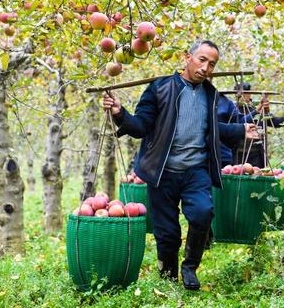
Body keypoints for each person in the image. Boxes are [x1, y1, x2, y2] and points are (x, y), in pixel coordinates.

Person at [102, 40, 259, 290]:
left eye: (212, 64)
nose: (206, 68)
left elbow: (212, 129)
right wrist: (121, 113)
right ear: (188, 57)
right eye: (202, 60)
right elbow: (141, 126)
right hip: (162, 171)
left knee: (203, 212)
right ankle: (168, 277)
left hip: (196, 170)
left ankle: (190, 267)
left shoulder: (211, 94)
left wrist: (241, 129)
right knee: (167, 232)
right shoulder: (160, 88)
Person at [233, 82, 284, 168]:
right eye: (241, 94)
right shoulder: (233, 110)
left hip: (257, 154)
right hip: (238, 154)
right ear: (236, 95)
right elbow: (240, 123)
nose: (244, 96)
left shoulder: (256, 108)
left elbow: (274, 122)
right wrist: (258, 109)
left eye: (247, 93)